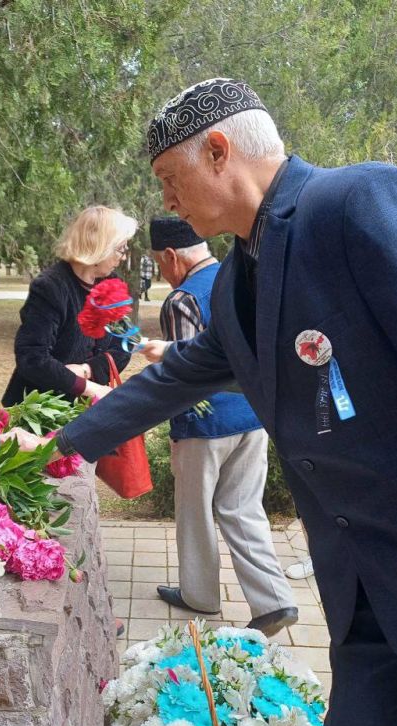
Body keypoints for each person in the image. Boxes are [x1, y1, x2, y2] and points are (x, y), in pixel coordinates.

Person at [9, 78, 397, 726]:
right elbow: (179, 376)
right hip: (375, 602)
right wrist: (60, 447)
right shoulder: (241, 274)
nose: (167, 201)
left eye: (168, 179)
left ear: (218, 151)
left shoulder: (365, 206)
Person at [148, 216, 297, 635]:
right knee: (244, 509)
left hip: (205, 425)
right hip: (252, 416)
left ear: (172, 256)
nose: (163, 272)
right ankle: (274, 601)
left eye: (159, 263)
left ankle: (200, 596)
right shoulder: (239, 281)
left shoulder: (182, 299)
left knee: (194, 513)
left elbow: (187, 371)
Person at [1, 205, 136, 406]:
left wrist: (87, 370)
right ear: (100, 246)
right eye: (120, 248)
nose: (123, 256)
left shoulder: (110, 283)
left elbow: (125, 342)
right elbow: (32, 358)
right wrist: (86, 387)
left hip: (86, 406)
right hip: (40, 407)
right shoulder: (51, 287)